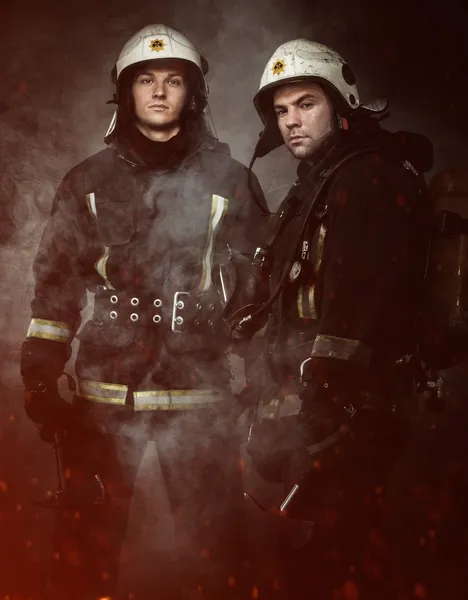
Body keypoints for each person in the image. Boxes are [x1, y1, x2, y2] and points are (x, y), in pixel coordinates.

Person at [20, 24, 267, 600]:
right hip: (103, 400)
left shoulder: (231, 181)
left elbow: (262, 292)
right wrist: (39, 370)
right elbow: (54, 285)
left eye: (173, 81)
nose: (159, 92)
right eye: (146, 81)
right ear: (126, 94)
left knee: (221, 556)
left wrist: (263, 379)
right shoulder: (86, 181)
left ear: (194, 94)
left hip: (201, 399)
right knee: (84, 552)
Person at [239, 39, 435, 599]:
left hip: (353, 418)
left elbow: (358, 311)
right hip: (324, 412)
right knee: (319, 562)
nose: (291, 122)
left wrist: (323, 418)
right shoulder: (322, 178)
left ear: (340, 105)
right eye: (281, 111)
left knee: (338, 566)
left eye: (305, 104)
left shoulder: (365, 180)